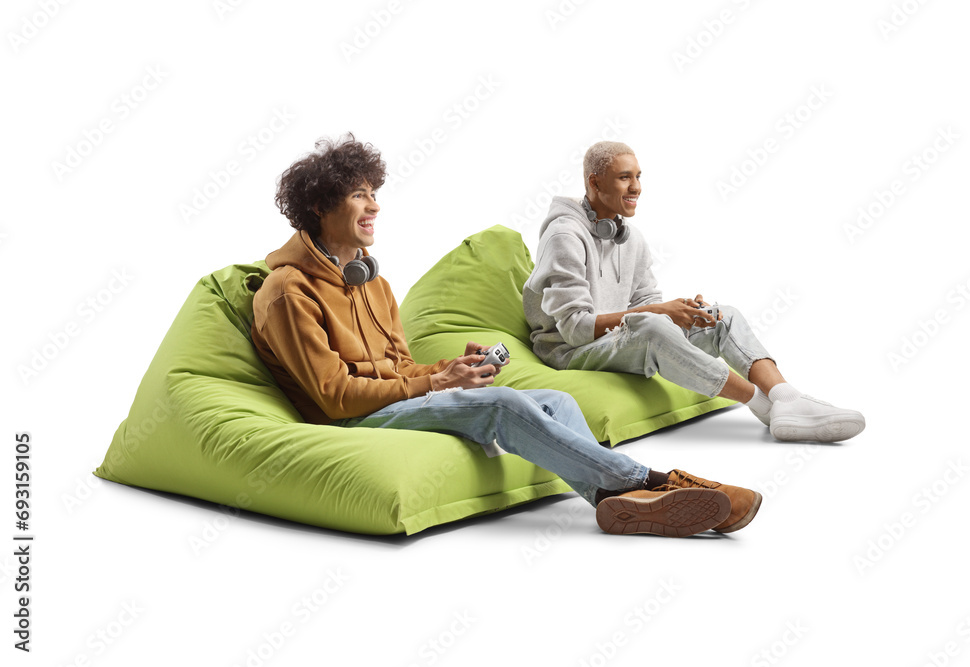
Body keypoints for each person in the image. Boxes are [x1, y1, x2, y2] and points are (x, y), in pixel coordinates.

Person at [250, 134, 762, 537]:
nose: (375, 206)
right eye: (359, 195)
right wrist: (432, 385)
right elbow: (335, 398)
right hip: (354, 420)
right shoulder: (287, 292)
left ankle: (614, 503)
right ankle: (650, 482)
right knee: (502, 405)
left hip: (394, 398)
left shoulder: (372, 281)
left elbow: (402, 368)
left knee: (557, 401)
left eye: (374, 194)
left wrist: (449, 370)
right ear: (319, 207)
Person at [523, 141, 866, 443]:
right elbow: (575, 328)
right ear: (594, 183)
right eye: (625, 177)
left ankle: (785, 399)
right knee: (653, 327)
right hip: (571, 352)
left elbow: (646, 302)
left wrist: (681, 311)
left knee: (721, 316)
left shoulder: (630, 238)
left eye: (639, 176)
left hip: (612, 341)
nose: (637, 187)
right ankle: (762, 405)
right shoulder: (564, 236)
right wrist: (659, 315)